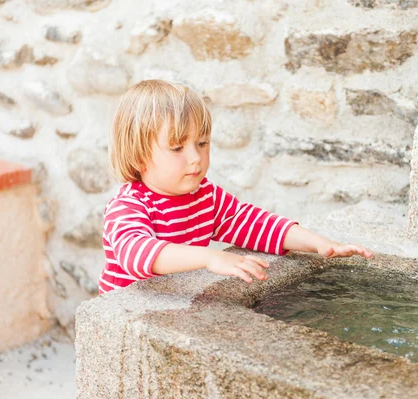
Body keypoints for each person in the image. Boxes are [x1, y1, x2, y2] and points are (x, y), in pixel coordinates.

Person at [99, 80, 373, 294]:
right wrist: (210, 258)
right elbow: (136, 253)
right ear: (139, 156)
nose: (195, 157)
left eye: (202, 143)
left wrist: (320, 244)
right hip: (124, 325)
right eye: (177, 147)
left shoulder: (205, 197)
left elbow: (256, 224)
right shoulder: (128, 206)